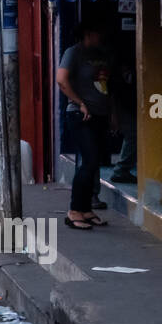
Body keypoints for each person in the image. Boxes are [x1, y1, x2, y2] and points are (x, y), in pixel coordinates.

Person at [56, 22, 114, 228]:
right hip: (81, 116)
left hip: (100, 115)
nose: (102, 36)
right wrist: (80, 103)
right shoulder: (74, 52)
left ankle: (86, 209)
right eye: (99, 32)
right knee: (88, 162)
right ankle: (74, 211)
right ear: (88, 33)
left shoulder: (102, 53)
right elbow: (61, 79)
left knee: (95, 163)